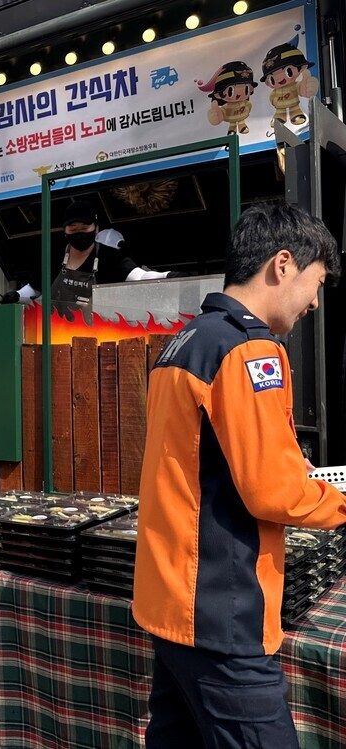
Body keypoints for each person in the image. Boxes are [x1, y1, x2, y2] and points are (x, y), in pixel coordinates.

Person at [132, 202, 346, 748]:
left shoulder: (186, 342)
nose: (315, 302)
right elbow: (275, 491)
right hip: (222, 611)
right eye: (315, 282)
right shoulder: (250, 349)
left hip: (172, 602)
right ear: (282, 265)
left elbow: (213, 463)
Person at [14, 199, 186, 312]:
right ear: (64, 232)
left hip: (96, 332)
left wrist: (168, 276)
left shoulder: (110, 257)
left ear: (96, 228)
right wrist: (15, 296)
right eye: (73, 230)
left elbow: (140, 276)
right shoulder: (53, 256)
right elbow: (34, 289)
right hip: (55, 331)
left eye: (84, 228)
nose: (79, 233)